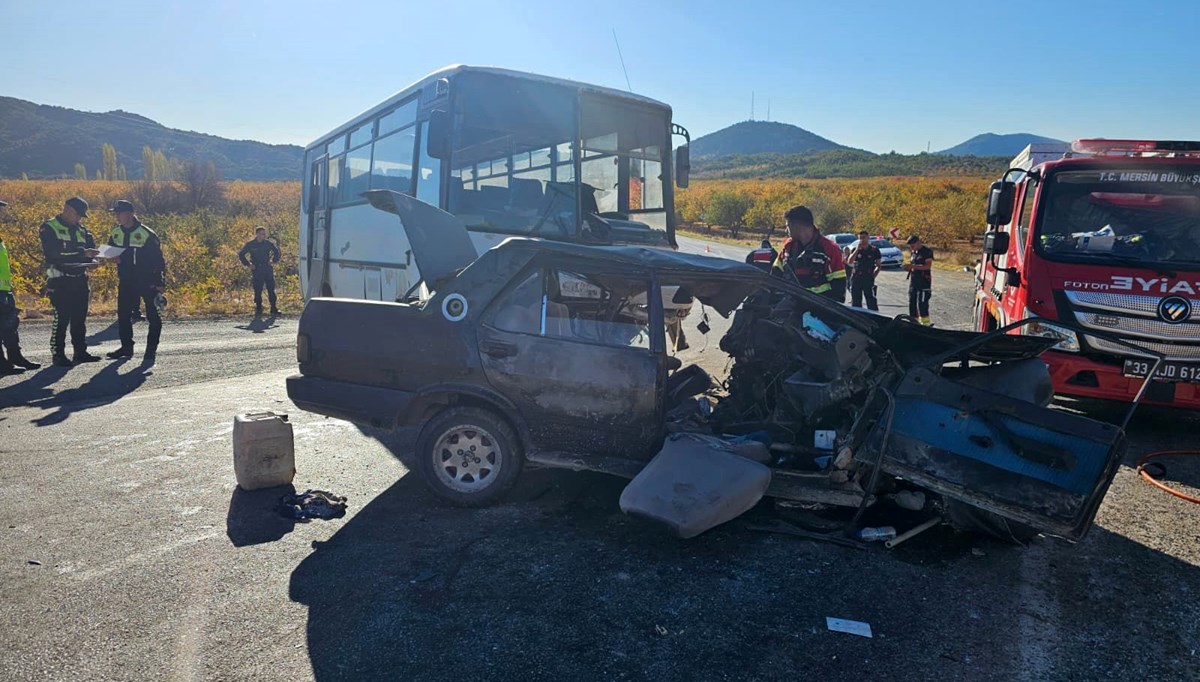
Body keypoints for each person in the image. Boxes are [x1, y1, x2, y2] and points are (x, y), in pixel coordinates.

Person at [40, 196, 101, 367]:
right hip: (59, 280)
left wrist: (93, 262)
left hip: (80, 280)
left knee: (79, 319)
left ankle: (80, 352)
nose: (79, 218)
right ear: (67, 209)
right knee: (61, 319)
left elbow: (90, 253)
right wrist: (82, 254)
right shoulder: (49, 227)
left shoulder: (83, 231)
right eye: (77, 214)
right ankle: (58, 354)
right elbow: (54, 254)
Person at [105, 200, 165, 362]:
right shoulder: (116, 232)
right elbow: (110, 251)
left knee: (153, 317)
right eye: (115, 213)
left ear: (130, 214)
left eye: (119, 213)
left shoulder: (146, 233)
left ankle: (151, 351)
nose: (117, 216)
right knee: (123, 316)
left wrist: (160, 283)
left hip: (147, 281)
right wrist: (112, 257)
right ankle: (126, 348)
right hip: (126, 280)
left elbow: (158, 260)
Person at [771, 205, 846, 301]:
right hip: (792, 305)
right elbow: (775, 273)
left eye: (788, 226)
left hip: (819, 307)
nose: (786, 230)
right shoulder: (789, 247)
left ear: (797, 226)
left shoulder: (829, 249)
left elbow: (839, 287)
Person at [0, 200, 41, 374]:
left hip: (4, 289)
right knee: (4, 325)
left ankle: (15, 357)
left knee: (9, 325)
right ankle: (3, 364)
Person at [238, 227, 281, 316]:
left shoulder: (268, 244)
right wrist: (248, 264)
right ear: (257, 234)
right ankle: (258, 308)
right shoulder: (250, 244)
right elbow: (241, 254)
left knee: (271, 288)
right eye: (262, 234)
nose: (264, 235)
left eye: (265, 234)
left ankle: (273, 308)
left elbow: (277, 252)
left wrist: (273, 261)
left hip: (267, 268)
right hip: (257, 269)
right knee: (258, 289)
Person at [846, 230, 881, 311]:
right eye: (860, 238)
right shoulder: (855, 249)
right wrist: (857, 250)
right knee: (856, 300)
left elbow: (878, 265)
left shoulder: (874, 250)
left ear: (868, 237)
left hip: (868, 277)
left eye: (864, 237)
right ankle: (857, 315)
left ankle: (874, 315)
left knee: (871, 299)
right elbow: (850, 261)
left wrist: (873, 276)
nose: (862, 240)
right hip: (856, 277)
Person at [904, 234, 935, 325]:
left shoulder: (926, 251)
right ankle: (913, 322)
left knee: (922, 303)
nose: (911, 248)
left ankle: (925, 324)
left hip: (924, 281)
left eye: (912, 246)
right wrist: (908, 267)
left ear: (918, 243)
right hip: (914, 281)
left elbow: (927, 266)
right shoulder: (914, 252)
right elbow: (913, 264)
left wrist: (913, 266)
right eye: (910, 247)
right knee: (912, 303)